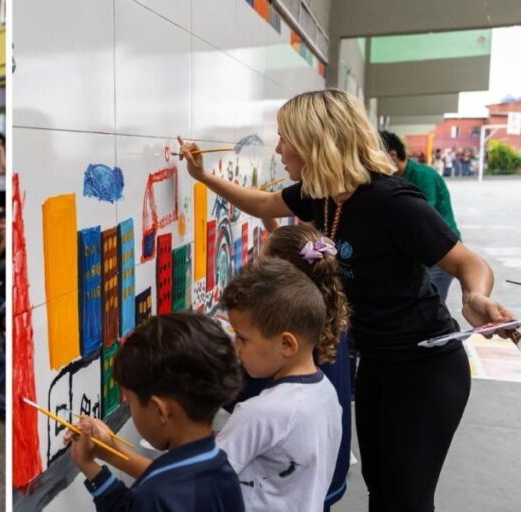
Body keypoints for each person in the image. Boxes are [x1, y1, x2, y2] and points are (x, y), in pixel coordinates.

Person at [178, 88, 519, 511]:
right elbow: (263, 202)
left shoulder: (393, 202)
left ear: (314, 141)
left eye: (285, 138)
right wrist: (203, 177)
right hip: (377, 362)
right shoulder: (321, 195)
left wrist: (475, 296)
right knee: (380, 489)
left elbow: (467, 261)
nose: (279, 149)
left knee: (406, 500)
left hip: (425, 368)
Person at [67, 312, 245, 511]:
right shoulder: (221, 469)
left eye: (131, 401)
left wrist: (89, 463)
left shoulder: (157, 494)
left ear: (160, 410)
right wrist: (92, 463)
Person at [216, 258, 341, 511]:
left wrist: (126, 457)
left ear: (287, 344)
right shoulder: (326, 393)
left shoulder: (259, 413)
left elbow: (198, 483)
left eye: (242, 338)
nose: (236, 347)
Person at [379, 131, 461, 302]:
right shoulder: (395, 178)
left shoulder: (423, 176)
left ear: (392, 155)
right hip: (421, 252)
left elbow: (420, 218)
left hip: (441, 251)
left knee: (432, 305)